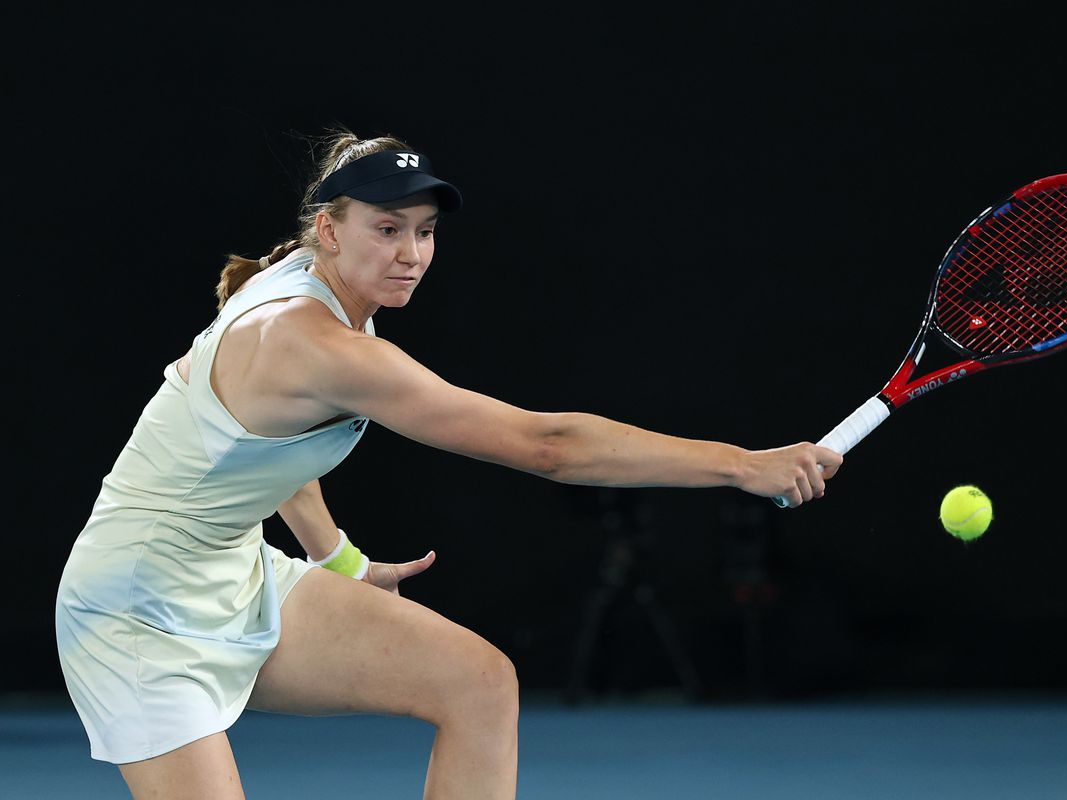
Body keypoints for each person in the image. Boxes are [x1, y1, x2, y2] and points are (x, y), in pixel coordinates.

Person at [54, 128, 843, 800]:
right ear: (330, 229)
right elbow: (547, 446)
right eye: (387, 229)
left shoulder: (299, 285)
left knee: (478, 683)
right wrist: (741, 466)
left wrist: (339, 559)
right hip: (134, 608)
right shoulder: (316, 343)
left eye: (425, 232)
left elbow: (270, 451)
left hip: (229, 574)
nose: (411, 254)